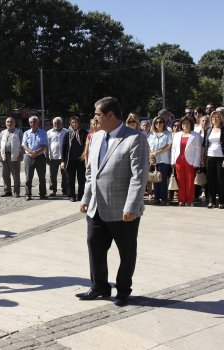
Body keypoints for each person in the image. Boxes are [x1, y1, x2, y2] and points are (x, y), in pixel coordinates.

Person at [75, 96, 149, 307]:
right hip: (97, 208)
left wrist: (132, 207)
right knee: (94, 245)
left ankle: (123, 290)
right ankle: (99, 286)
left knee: (126, 252)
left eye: (97, 114)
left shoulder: (135, 138)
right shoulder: (96, 137)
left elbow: (139, 175)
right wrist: (86, 198)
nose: (94, 118)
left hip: (123, 210)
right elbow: (91, 173)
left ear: (110, 115)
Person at [203, 111, 224, 209]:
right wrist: (202, 158)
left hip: (222, 157)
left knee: (221, 180)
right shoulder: (208, 129)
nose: (215, 119)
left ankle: (221, 201)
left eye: (217, 117)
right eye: (213, 118)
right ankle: (211, 201)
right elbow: (205, 145)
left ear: (221, 119)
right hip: (209, 157)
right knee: (211, 180)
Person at [171, 117, 203, 206]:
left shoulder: (195, 135)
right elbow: (173, 148)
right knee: (180, 180)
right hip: (178, 160)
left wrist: (196, 162)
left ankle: (189, 200)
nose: (185, 125)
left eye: (187, 123)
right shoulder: (177, 135)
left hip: (190, 161)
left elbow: (198, 149)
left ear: (191, 124)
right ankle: (181, 199)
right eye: (183, 123)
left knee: (190, 181)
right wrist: (172, 161)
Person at [61, 116, 88, 202]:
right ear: (70, 124)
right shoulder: (67, 134)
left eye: (76, 122)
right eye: (72, 122)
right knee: (70, 179)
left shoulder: (84, 133)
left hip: (81, 160)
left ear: (79, 123)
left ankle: (81, 195)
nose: (74, 124)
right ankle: (71, 195)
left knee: (81, 179)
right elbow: (63, 148)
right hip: (70, 160)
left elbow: (87, 147)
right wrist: (62, 161)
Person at [22, 116, 49, 200]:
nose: (32, 124)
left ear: (38, 122)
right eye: (31, 122)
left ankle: (42, 194)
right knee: (28, 177)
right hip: (29, 157)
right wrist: (31, 152)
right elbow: (24, 144)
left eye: (34, 122)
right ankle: (28, 194)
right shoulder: (26, 133)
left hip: (40, 157)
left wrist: (36, 152)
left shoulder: (43, 132)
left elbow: (44, 145)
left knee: (42, 177)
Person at [148, 116, 173, 205]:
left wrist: (156, 153)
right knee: (155, 179)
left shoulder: (168, 134)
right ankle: (156, 197)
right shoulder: (150, 134)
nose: (158, 124)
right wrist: (151, 157)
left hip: (164, 160)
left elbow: (168, 146)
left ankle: (163, 198)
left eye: (160, 122)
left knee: (162, 179)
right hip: (153, 161)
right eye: (156, 122)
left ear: (164, 123)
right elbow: (149, 147)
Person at [0, 117, 24, 197]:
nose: (9, 123)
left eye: (11, 122)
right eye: (8, 122)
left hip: (15, 156)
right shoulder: (2, 133)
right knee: (5, 174)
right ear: (5, 123)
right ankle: (7, 191)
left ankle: (17, 192)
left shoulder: (19, 132)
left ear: (14, 123)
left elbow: (23, 145)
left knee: (16, 175)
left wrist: (21, 155)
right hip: (4, 156)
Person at [46, 117, 68, 196]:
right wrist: (47, 157)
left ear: (61, 123)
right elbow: (47, 146)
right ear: (53, 124)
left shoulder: (67, 132)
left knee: (65, 175)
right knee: (52, 175)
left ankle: (65, 190)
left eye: (58, 123)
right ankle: (53, 190)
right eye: (55, 123)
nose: (56, 124)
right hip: (53, 157)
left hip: (64, 157)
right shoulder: (49, 132)